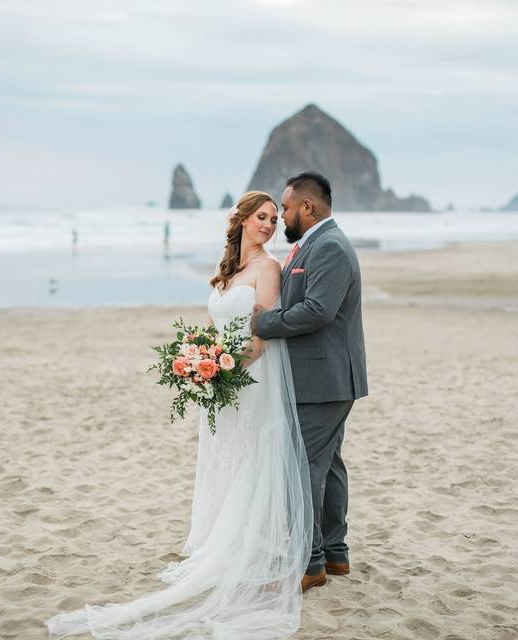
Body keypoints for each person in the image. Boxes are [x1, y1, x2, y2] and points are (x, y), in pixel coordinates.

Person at [45, 191, 313, 639]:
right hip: (223, 378)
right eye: (261, 217)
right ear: (241, 220)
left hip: (251, 378)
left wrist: (222, 370)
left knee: (251, 457)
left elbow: (260, 337)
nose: (268, 225)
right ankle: (222, 545)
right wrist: (198, 361)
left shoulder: (269, 268)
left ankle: (254, 552)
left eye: (273, 218)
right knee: (224, 457)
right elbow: (216, 327)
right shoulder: (228, 269)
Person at [251, 171, 368, 592]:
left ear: (307, 207)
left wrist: (264, 323)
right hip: (326, 376)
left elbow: (318, 310)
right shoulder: (313, 244)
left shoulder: (330, 246)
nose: (281, 216)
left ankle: (310, 563)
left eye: (284, 208)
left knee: (303, 468)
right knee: (329, 465)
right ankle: (335, 554)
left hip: (326, 378)